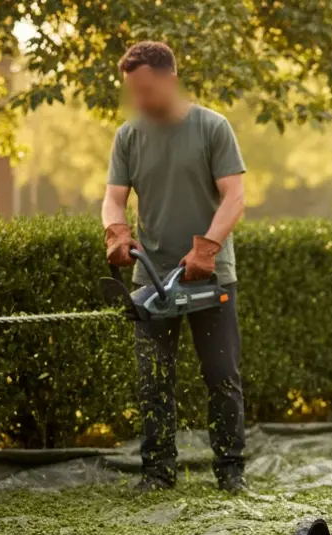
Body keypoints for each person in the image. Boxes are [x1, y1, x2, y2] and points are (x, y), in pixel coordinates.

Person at [102, 41, 248, 492]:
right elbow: (113, 198)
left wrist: (207, 247)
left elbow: (235, 196)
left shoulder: (212, 127)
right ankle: (158, 472)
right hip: (151, 276)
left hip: (209, 275)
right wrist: (118, 233)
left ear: (170, 78)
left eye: (147, 89)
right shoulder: (128, 135)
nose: (141, 99)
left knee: (222, 377)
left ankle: (230, 472)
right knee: (153, 381)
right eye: (134, 92)